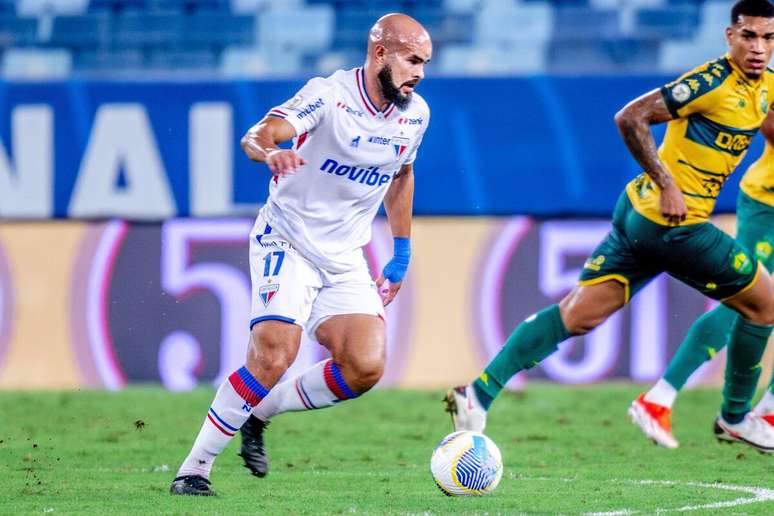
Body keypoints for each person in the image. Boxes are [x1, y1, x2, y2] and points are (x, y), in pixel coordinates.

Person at [445, 0, 774, 453]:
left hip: (637, 218)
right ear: (729, 36)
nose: (758, 47)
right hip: (675, 224)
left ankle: (478, 393)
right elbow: (630, 116)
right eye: (749, 36)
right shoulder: (711, 82)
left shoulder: (763, 88)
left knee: (578, 315)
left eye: (768, 38)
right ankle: (736, 417)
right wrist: (668, 183)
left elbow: (763, 121)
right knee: (765, 305)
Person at [170, 13, 432, 496]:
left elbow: (401, 176)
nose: (419, 73)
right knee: (275, 354)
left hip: (345, 255)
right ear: (380, 54)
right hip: (286, 238)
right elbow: (261, 133)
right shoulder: (328, 94)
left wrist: (401, 250)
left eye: (424, 63)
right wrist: (269, 153)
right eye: (412, 60)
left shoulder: (416, 115)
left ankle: (260, 413)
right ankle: (195, 469)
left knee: (365, 366)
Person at [630, 118, 774, 449]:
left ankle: (768, 413)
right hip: (769, 203)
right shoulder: (765, 80)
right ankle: (660, 397)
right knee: (748, 300)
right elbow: (767, 120)